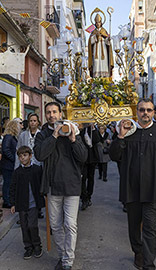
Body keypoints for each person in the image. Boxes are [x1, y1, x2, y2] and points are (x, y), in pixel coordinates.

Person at [109, 98, 156, 270]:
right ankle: (138, 252)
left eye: (149, 110)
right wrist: (120, 135)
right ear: (137, 112)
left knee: (150, 227)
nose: (145, 113)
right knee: (134, 226)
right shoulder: (128, 131)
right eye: (142, 110)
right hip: (131, 188)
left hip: (154, 189)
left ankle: (149, 263)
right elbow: (114, 155)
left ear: (153, 113)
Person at [33, 102, 87, 270]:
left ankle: (68, 262)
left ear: (60, 113)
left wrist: (73, 140)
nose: (51, 115)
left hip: (71, 186)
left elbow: (83, 157)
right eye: (48, 112)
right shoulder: (42, 135)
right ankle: (64, 254)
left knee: (70, 225)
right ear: (45, 114)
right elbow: (40, 155)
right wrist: (54, 136)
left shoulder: (73, 130)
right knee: (55, 225)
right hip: (52, 186)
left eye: (54, 112)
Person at [9, 146, 44, 260]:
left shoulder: (37, 170)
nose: (22, 158)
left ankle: (37, 245)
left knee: (32, 225)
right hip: (21, 204)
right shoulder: (17, 172)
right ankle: (28, 247)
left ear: (30, 156)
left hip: (33, 204)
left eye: (24, 155)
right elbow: (12, 188)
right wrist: (13, 203)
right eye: (20, 156)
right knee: (24, 226)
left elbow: (42, 184)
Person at [15, 113, 43, 218]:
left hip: (37, 164)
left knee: (36, 187)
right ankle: (24, 212)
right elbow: (18, 149)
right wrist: (17, 165)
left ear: (38, 122)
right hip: (25, 165)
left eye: (35, 121)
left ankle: (38, 209)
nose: (33, 123)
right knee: (25, 188)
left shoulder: (41, 134)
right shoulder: (23, 135)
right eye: (31, 121)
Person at [80, 123, 100, 210]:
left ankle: (89, 196)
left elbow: (97, 140)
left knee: (90, 178)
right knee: (83, 178)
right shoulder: (81, 129)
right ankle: (84, 198)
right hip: (83, 158)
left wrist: (93, 128)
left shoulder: (93, 130)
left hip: (92, 158)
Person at [1, 120, 21, 208]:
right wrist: (14, 159)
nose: (20, 127)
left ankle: (8, 200)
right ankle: (6, 201)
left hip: (8, 164)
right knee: (7, 183)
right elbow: (5, 149)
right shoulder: (8, 137)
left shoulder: (11, 137)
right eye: (18, 125)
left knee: (9, 183)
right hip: (7, 165)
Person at [88, 13, 114, 78]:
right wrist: (95, 37)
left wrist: (108, 40)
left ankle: (104, 76)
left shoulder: (104, 31)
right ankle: (96, 77)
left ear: (101, 23)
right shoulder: (93, 32)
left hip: (103, 49)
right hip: (96, 49)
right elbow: (90, 42)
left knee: (104, 62)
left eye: (99, 22)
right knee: (96, 62)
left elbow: (107, 43)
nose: (97, 24)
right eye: (96, 22)